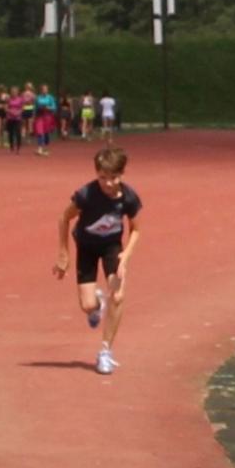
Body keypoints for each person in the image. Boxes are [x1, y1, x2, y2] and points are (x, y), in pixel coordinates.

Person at [53, 144, 143, 376]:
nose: (108, 183)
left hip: (112, 247)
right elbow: (64, 218)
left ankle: (105, 351)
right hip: (86, 247)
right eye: (103, 177)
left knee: (119, 295)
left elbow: (136, 229)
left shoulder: (130, 198)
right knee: (87, 306)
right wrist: (64, 253)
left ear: (122, 175)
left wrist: (126, 256)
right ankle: (97, 306)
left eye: (113, 178)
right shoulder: (86, 195)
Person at [33, 85, 57, 156]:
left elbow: (54, 107)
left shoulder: (50, 98)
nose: (45, 91)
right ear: (41, 90)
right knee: (40, 132)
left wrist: (48, 107)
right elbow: (35, 107)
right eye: (43, 89)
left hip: (48, 116)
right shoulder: (38, 98)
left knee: (46, 133)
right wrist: (34, 115)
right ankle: (40, 148)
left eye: (46, 89)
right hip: (39, 116)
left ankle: (46, 148)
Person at [3, 87, 26, 155]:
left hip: (18, 118)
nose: (14, 93)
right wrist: (10, 111)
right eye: (12, 92)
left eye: (15, 92)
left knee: (18, 132)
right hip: (10, 118)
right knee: (11, 133)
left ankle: (18, 148)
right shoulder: (8, 99)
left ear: (17, 92)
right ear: (11, 92)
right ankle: (11, 146)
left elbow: (23, 107)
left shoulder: (20, 99)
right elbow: (5, 108)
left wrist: (19, 112)